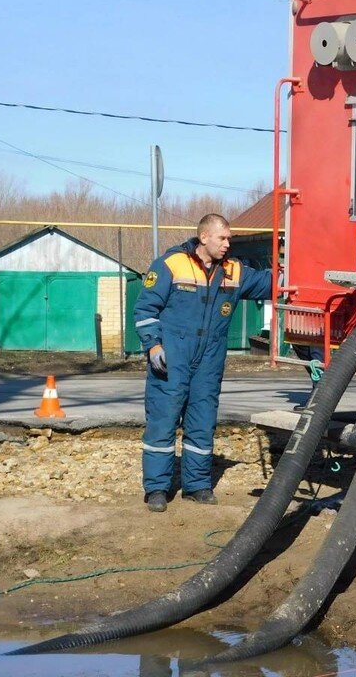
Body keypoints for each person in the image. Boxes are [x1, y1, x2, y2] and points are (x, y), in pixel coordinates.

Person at [134, 214, 272, 512]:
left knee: (203, 420)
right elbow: (145, 308)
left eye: (229, 239)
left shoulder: (234, 271)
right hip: (172, 356)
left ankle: (196, 485)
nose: (227, 244)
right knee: (163, 419)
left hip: (209, 359)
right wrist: (154, 345)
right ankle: (157, 488)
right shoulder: (171, 265)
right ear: (204, 237)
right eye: (222, 238)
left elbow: (272, 284)